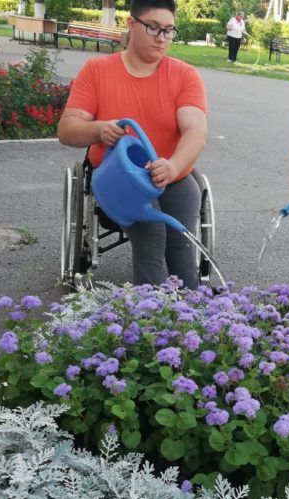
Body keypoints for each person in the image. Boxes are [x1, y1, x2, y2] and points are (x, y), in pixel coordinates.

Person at [57, 0, 208, 289]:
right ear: (131, 24)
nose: (162, 38)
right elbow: (67, 130)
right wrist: (99, 129)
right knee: (152, 234)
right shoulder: (97, 71)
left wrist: (174, 165)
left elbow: (195, 131)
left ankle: (194, 315)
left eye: (169, 31)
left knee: (181, 244)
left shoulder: (184, 75)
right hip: (120, 178)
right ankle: (148, 321)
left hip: (170, 176)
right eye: (153, 28)